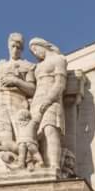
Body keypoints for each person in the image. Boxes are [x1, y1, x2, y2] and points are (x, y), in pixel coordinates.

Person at [0, 33, 37, 169]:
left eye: (18, 47)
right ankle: (14, 161)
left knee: (22, 136)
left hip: (18, 101)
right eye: (13, 46)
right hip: (1, 102)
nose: (15, 50)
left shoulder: (27, 66)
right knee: (6, 137)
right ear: (8, 46)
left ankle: (28, 158)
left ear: (22, 49)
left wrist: (16, 81)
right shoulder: (0, 66)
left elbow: (32, 89)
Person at [28, 38, 72, 176]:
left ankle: (54, 166)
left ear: (43, 46)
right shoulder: (38, 67)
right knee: (36, 135)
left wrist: (48, 100)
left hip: (51, 100)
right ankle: (40, 165)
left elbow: (60, 84)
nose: (35, 53)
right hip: (36, 101)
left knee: (50, 130)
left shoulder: (58, 59)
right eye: (32, 51)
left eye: (36, 49)